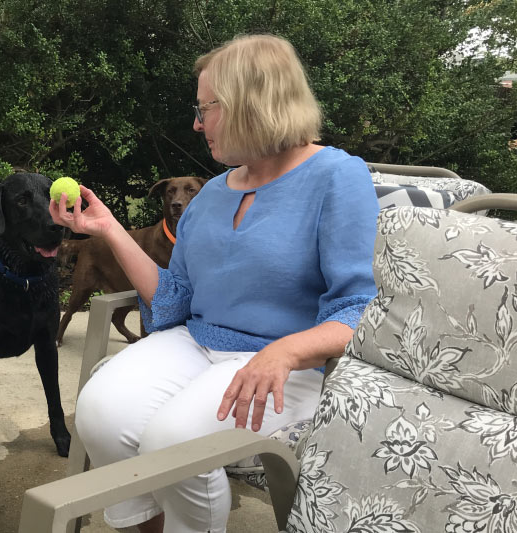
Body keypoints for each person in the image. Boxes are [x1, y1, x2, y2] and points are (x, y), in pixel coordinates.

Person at [49, 34, 379, 533]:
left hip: (284, 364)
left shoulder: (337, 177)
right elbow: (175, 298)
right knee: (100, 410)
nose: (197, 122)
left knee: (172, 439)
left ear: (252, 102)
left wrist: (285, 353)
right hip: (196, 342)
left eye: (207, 108)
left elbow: (359, 308)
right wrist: (109, 229)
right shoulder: (211, 194)